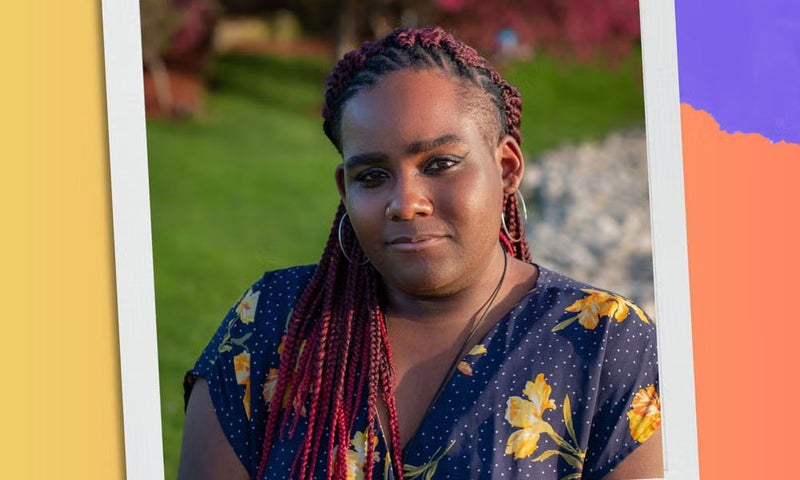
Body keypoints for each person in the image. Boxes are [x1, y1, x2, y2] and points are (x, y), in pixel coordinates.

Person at [177, 26, 663, 480]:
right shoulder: (270, 324)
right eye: (372, 176)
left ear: (508, 167)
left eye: (440, 163)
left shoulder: (606, 344)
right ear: (346, 189)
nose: (405, 202)